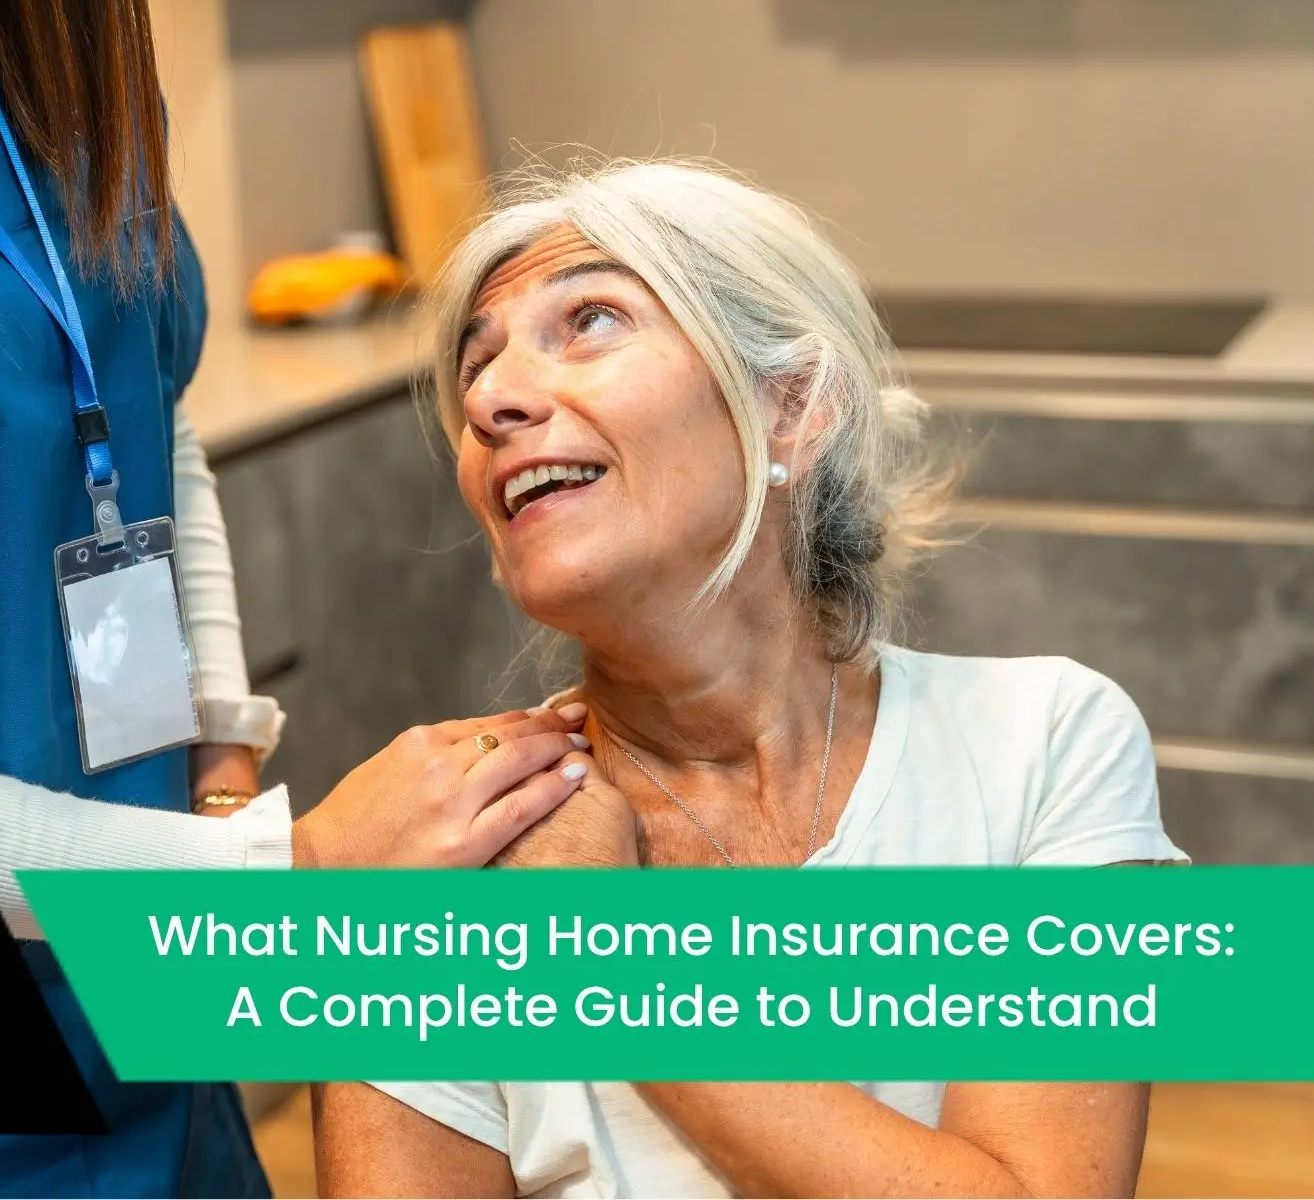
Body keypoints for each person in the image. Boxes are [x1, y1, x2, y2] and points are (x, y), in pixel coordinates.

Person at [0, 0, 594, 1196]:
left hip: (145, 979)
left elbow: (145, 419)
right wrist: (280, 874)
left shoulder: (35, 24)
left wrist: (216, 768)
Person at [314, 160, 1189, 1198]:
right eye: (476, 366)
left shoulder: (1045, 742)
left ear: (794, 404)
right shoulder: (444, 847)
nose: (493, 398)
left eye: (590, 317)